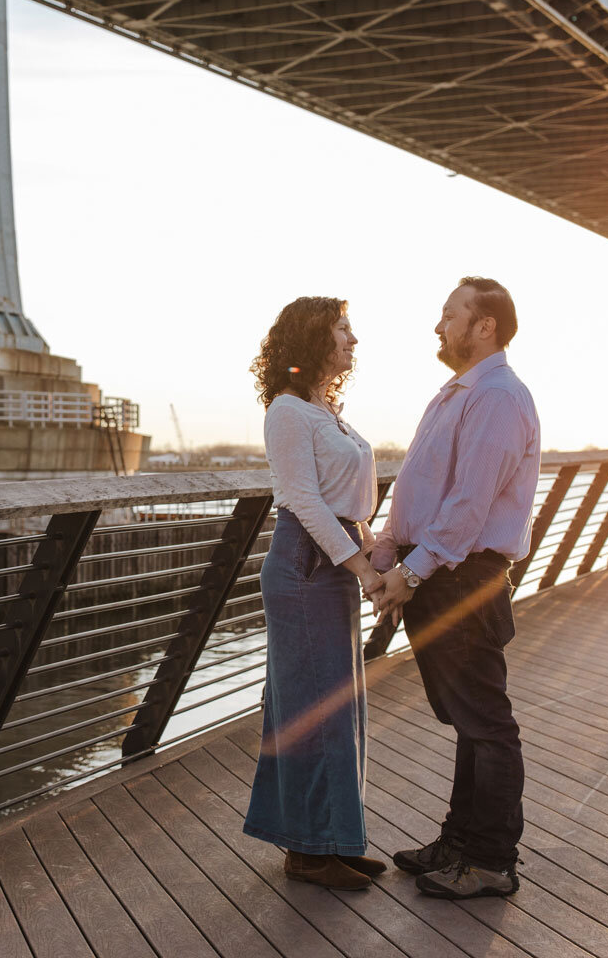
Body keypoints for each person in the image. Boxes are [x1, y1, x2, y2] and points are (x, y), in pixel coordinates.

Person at [370, 276, 540, 900]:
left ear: (484, 325)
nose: (439, 326)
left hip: (460, 577)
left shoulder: (496, 396)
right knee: (470, 719)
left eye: (449, 315)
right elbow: (421, 488)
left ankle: (491, 862)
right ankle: (459, 843)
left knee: (488, 723)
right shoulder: (456, 394)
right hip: (438, 572)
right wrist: (388, 550)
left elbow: (469, 505)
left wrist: (410, 573)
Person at [242, 296, 388, 889]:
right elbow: (302, 500)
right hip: (305, 565)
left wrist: (374, 544)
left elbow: (350, 498)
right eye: (343, 329)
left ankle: (333, 838)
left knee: (339, 707)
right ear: (313, 338)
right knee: (311, 708)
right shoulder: (287, 411)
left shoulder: (327, 410)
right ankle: (307, 851)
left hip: (334, 560)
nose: (353, 339)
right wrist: (364, 570)